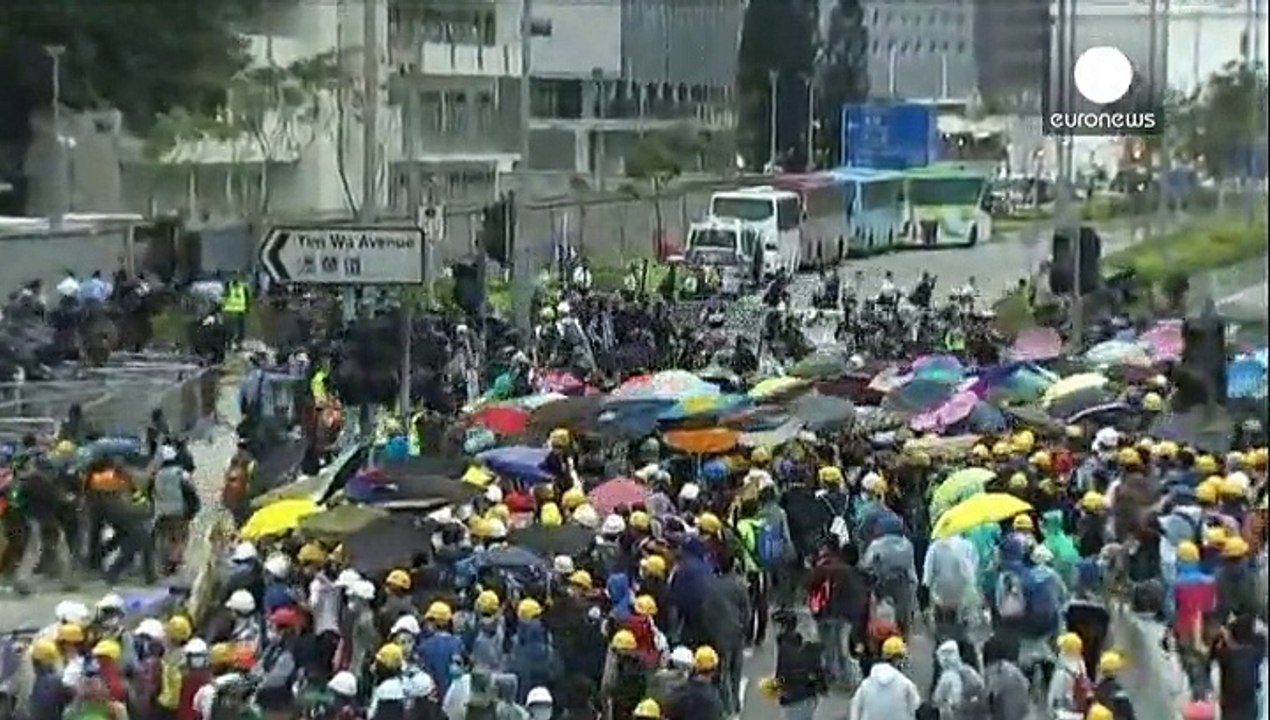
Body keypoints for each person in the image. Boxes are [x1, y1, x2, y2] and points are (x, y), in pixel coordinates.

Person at [848, 636, 921, 720]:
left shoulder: (866, 685)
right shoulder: (906, 685)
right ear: (897, 659)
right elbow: (916, 708)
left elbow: (855, 709)